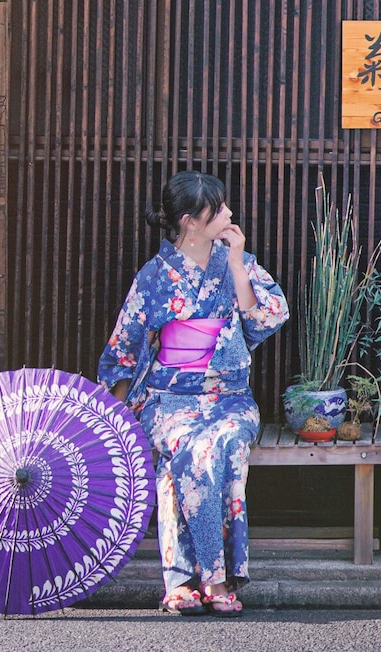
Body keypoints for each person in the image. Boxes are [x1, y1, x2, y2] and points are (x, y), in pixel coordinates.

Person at [98, 171, 288, 615]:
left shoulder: (236, 262)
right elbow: (123, 350)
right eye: (218, 209)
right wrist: (116, 417)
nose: (229, 214)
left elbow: (264, 320)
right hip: (169, 400)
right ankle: (206, 580)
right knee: (189, 447)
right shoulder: (154, 278)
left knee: (221, 444)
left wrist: (239, 264)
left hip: (229, 399)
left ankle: (189, 579)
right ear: (189, 221)